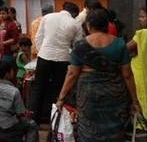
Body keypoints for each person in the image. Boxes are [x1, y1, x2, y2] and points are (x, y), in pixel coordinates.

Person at [57, 9, 141, 142]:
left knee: (88, 131)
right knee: (115, 131)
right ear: (107, 25)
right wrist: (135, 101)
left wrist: (61, 98)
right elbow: (127, 75)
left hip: (89, 96)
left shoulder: (80, 45)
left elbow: (72, 74)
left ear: (88, 25)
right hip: (115, 96)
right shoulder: (119, 44)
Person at [30, 2, 82, 124]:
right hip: (63, 60)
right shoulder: (76, 24)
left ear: (63, 9)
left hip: (44, 57)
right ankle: (52, 120)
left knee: (38, 88)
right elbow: (78, 46)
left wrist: (42, 52)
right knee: (57, 89)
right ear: (74, 13)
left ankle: (33, 120)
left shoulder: (48, 17)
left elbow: (38, 37)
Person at [0, 61, 39, 142]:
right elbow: (20, 112)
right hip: (9, 125)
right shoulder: (15, 91)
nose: (13, 72)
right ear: (7, 74)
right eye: (12, 70)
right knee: (32, 125)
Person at [127, 7, 147, 119]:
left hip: (141, 75)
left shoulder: (142, 34)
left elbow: (125, 48)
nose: (140, 19)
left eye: (143, 16)